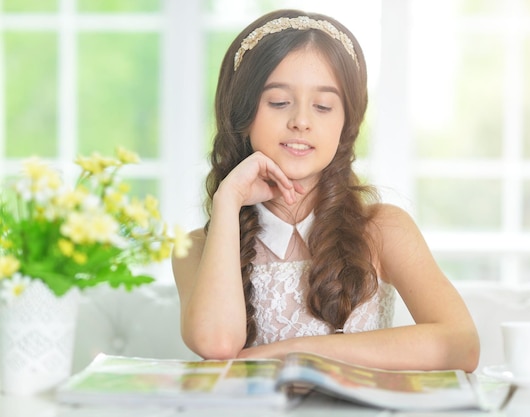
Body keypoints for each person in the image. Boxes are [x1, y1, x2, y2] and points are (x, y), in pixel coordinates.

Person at [172, 9, 480, 372]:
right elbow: (218, 344)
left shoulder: (382, 229)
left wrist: (294, 352)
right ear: (243, 113)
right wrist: (227, 201)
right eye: (278, 102)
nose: (301, 121)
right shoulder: (196, 249)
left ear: (345, 122)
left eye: (323, 106)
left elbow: (461, 345)